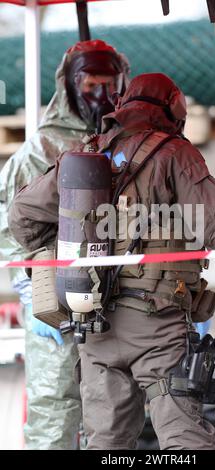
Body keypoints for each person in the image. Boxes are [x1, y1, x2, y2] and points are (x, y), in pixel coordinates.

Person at [8, 73, 215, 450]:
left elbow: (22, 214)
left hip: (93, 323)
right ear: (175, 111)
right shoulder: (174, 153)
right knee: (185, 441)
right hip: (156, 324)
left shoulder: (87, 153)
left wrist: (59, 254)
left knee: (106, 445)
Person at [0, 39, 130, 450]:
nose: (101, 94)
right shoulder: (42, 148)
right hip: (53, 297)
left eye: (109, 83)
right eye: (91, 83)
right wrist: (29, 290)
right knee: (55, 406)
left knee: (112, 409)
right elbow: (9, 224)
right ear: (70, 85)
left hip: (116, 294)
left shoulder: (126, 142)